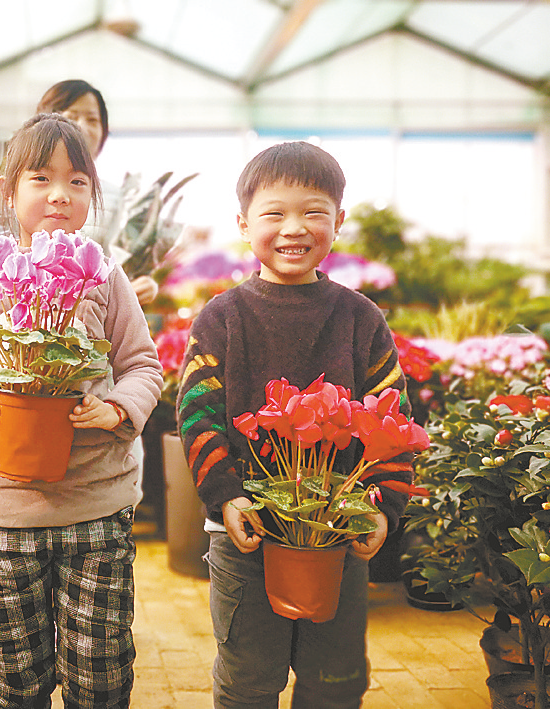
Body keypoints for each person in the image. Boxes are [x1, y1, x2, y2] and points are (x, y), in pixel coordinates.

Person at [0, 113, 162, 709]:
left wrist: (118, 409)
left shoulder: (103, 275)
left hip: (94, 507)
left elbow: (143, 367)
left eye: (78, 182)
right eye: (40, 178)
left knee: (100, 676)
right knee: (14, 680)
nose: (59, 194)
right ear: (8, 190)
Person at [176, 141, 414, 708]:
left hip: (338, 537)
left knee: (334, 681)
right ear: (243, 223)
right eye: (274, 213)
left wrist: (382, 508)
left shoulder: (359, 318)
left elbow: (394, 420)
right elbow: (197, 413)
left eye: (314, 212)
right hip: (246, 534)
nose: (294, 228)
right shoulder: (222, 318)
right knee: (247, 680)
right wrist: (227, 498)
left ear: (338, 221)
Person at [35, 79, 158, 305]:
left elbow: (122, 269)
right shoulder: (21, 190)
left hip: (93, 325)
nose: (82, 127)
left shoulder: (118, 198)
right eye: (71, 117)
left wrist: (143, 284)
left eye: (92, 119)